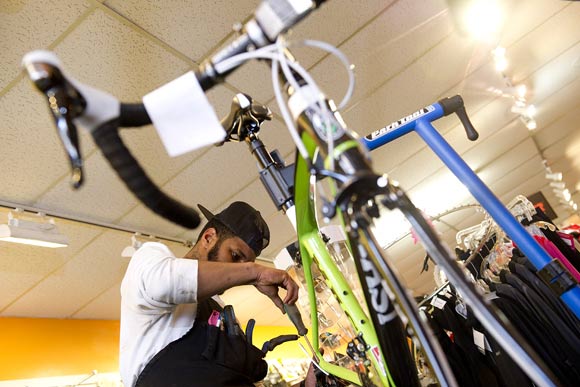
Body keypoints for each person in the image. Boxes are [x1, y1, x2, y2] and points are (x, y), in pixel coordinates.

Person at [119, 201, 305, 387]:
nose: (239, 272)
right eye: (235, 256)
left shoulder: (222, 315)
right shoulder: (150, 259)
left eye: (246, 264)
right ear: (208, 238)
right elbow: (162, 282)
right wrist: (255, 272)